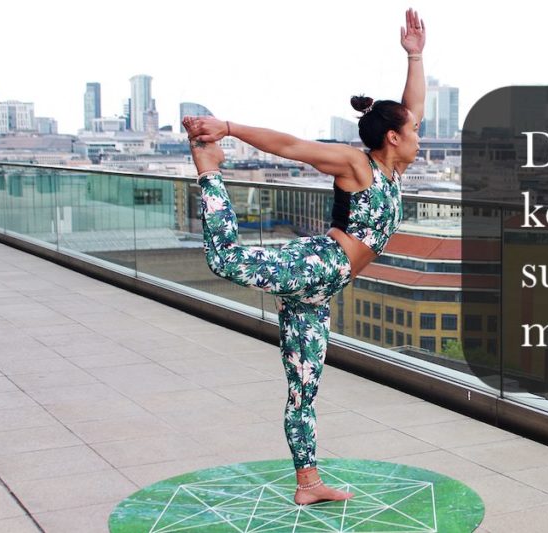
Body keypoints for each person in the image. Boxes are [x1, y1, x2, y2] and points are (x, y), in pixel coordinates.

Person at [183, 7, 425, 505]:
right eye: (413, 131)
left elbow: (411, 108)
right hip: (319, 265)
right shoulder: (357, 164)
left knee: (304, 385)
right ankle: (208, 168)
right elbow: (292, 146)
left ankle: (308, 483)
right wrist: (227, 127)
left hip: (321, 292)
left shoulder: (394, 170)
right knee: (226, 261)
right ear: (394, 138)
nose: (419, 134)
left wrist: (415, 56)